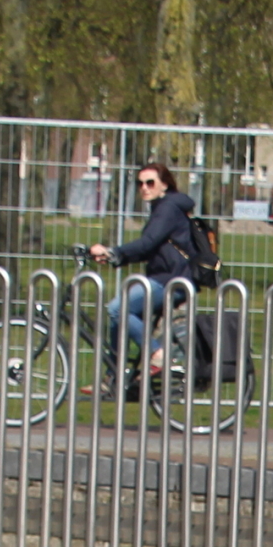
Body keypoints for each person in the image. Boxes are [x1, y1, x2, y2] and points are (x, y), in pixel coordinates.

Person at [87, 161, 197, 394]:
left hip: (172, 280)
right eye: (140, 183)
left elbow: (147, 243)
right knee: (119, 318)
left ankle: (157, 354)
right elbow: (149, 249)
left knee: (118, 309)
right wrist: (115, 258)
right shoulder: (162, 207)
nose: (144, 188)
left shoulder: (168, 208)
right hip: (165, 276)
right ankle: (114, 376)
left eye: (150, 183)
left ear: (164, 185)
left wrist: (114, 251)